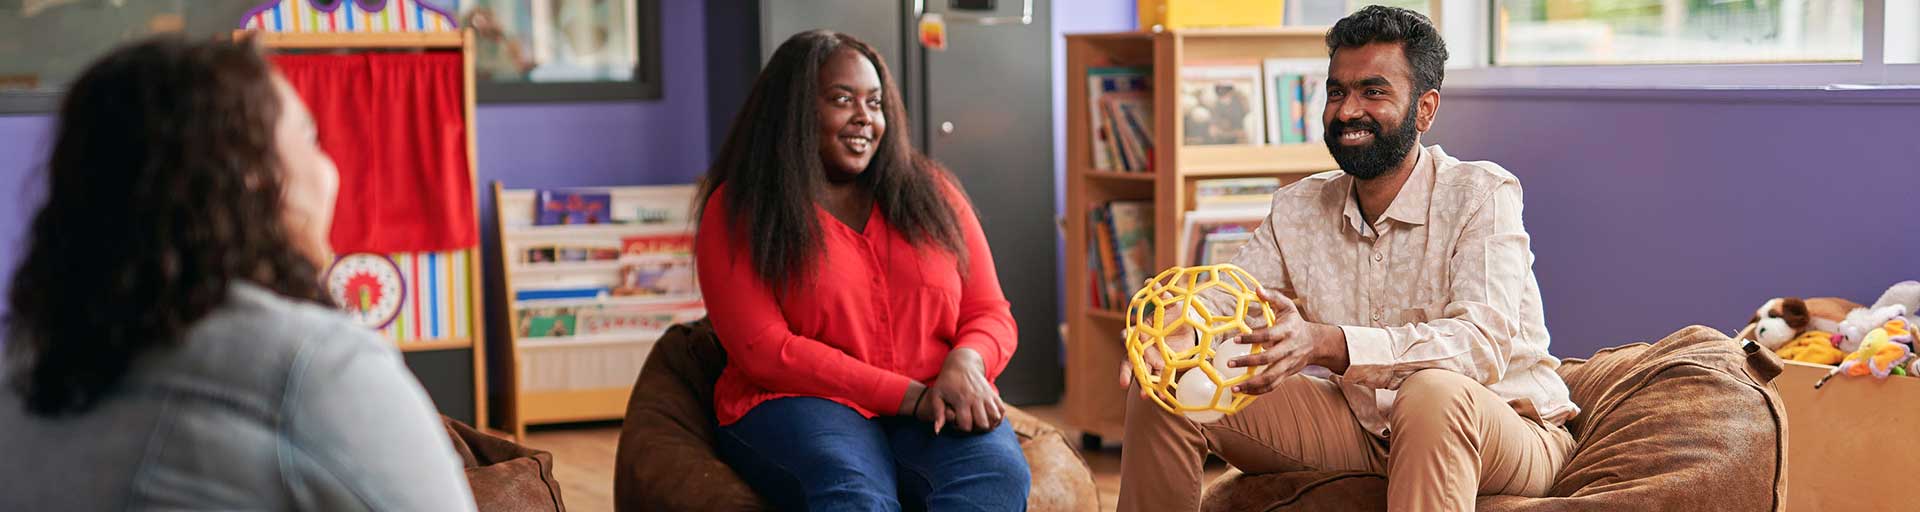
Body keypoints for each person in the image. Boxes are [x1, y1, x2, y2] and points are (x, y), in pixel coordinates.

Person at [1118, 7, 1578, 511]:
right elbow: (1228, 296)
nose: (1347, 111)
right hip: (1362, 426)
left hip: (1506, 426)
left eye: (1373, 92)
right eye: (1337, 92)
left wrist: (1327, 344)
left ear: (1425, 109)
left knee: (1432, 394)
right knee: (1167, 386)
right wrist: (1176, 333)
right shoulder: (1299, 206)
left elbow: (1480, 348)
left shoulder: (1481, 194)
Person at [0, 37, 475, 511]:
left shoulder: (23, 369)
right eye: (309, 138)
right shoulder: (314, 366)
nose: (330, 170)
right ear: (253, 176)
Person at [695, 30, 1030, 511]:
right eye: (841, 99)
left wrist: (968, 361)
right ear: (793, 112)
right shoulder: (739, 209)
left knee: (995, 478)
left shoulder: (933, 191)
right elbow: (766, 351)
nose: (864, 118)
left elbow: (989, 310)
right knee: (854, 492)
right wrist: (906, 396)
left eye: (874, 103)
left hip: (935, 399)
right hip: (800, 403)